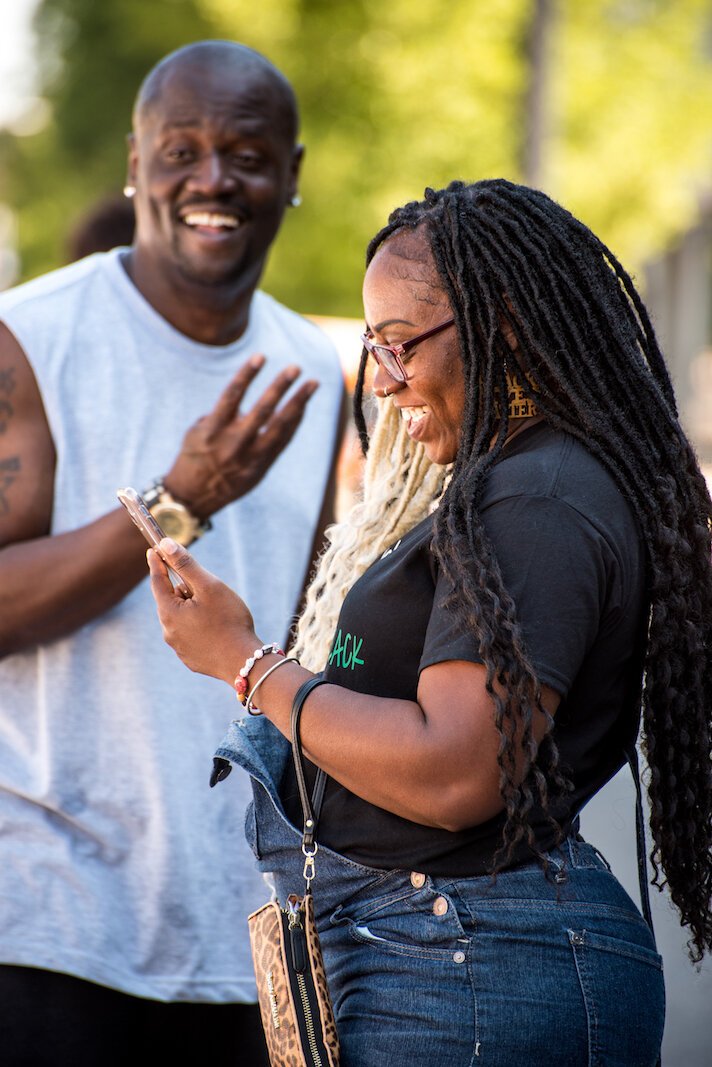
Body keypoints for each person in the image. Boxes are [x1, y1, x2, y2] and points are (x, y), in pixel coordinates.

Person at [149, 179, 712, 1065]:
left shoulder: (537, 498)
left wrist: (247, 663)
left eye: (401, 342)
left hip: (467, 966)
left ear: (506, 323)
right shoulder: (528, 480)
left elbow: (454, 770)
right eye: (374, 345)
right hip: (449, 951)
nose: (383, 379)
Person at [0, 40, 344, 1066]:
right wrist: (179, 500)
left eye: (245, 151)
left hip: (246, 929)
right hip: (46, 921)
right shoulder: (30, 335)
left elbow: (316, 629)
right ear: (135, 161)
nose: (211, 178)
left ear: (291, 174)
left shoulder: (315, 367)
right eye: (180, 148)